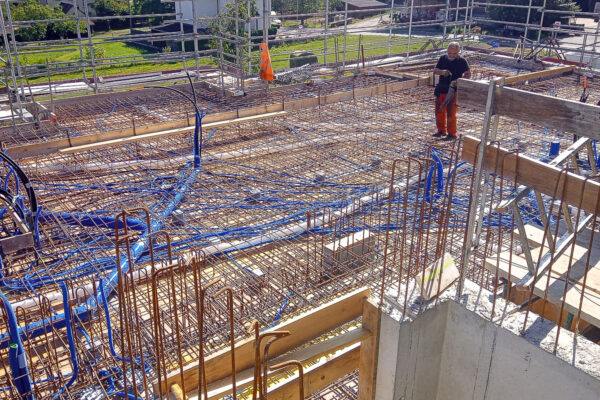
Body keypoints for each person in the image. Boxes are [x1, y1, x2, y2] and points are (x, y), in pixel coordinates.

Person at [432, 42, 471, 141]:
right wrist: (442, 72)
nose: (452, 55)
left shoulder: (462, 61)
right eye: (450, 53)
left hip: (453, 91)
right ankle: (441, 131)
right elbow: (435, 70)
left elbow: (468, 74)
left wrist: (458, 81)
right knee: (439, 112)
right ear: (447, 51)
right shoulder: (443, 58)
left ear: (458, 52)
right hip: (441, 89)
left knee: (451, 114)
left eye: (454, 53)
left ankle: (452, 134)